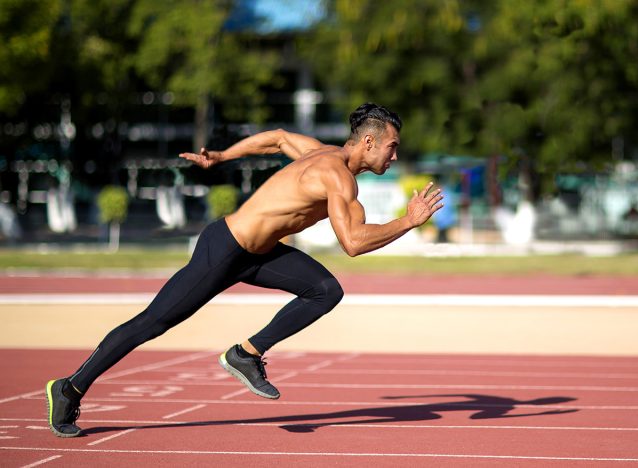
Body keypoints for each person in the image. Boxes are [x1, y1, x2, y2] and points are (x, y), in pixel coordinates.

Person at [45, 103, 444, 438]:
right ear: (369, 141)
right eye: (391, 147)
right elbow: (353, 243)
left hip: (261, 253)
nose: (393, 156)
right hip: (225, 249)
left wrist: (222, 156)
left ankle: (245, 354)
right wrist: (408, 221)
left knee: (325, 289)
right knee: (153, 322)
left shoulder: (320, 153)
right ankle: (70, 387)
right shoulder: (334, 175)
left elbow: (277, 137)